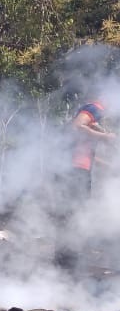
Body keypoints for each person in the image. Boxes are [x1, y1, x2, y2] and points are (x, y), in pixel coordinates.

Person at [56, 100, 114, 269]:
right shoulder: (95, 108)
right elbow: (77, 125)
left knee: (73, 213)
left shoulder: (94, 114)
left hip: (78, 170)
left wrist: (109, 166)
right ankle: (67, 259)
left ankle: (66, 257)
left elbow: (88, 153)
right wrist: (105, 137)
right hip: (76, 172)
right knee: (75, 213)